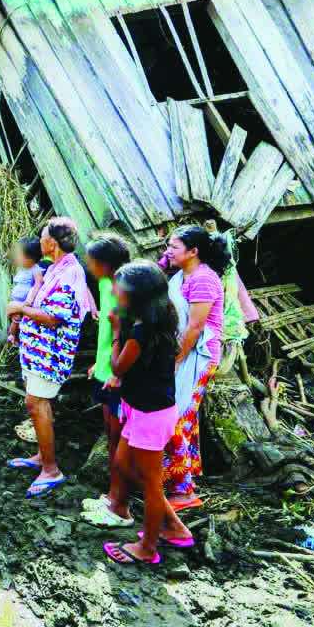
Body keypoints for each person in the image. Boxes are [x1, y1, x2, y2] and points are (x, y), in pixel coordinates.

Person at [101, 261, 192, 566]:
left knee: (151, 484)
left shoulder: (140, 331)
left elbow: (117, 367)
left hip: (151, 415)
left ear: (136, 296)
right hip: (143, 409)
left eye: (119, 288)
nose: (114, 292)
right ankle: (174, 528)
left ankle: (148, 548)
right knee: (126, 466)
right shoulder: (158, 317)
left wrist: (115, 332)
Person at [4, 217, 96, 499]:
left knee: (36, 402)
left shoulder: (69, 274)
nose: (39, 240)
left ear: (51, 243)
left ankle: (51, 469)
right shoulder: (58, 268)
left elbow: (55, 318)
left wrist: (21, 308)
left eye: (43, 236)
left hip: (50, 355)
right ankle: (42, 456)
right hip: (38, 353)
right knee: (37, 402)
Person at [162, 225, 228, 511]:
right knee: (183, 417)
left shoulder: (203, 280)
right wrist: (167, 259)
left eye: (174, 247)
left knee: (177, 419)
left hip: (197, 355)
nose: (168, 251)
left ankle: (184, 491)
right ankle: (180, 476)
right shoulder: (182, 274)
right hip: (183, 352)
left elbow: (196, 326)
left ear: (193, 251)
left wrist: (176, 360)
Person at [80, 234, 134, 527]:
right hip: (105, 371)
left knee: (121, 441)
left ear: (104, 263)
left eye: (91, 261)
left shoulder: (127, 289)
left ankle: (119, 507)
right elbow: (108, 336)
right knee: (112, 438)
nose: (88, 265)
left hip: (118, 377)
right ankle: (112, 496)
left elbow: (127, 336)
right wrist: (99, 363)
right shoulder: (104, 284)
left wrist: (116, 372)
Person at [7, 236, 45, 344]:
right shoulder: (22, 268)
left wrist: (29, 300)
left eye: (19, 255)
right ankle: (13, 337)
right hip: (16, 301)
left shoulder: (35, 269)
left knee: (16, 321)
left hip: (23, 303)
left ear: (29, 258)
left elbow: (38, 284)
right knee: (14, 319)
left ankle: (13, 337)